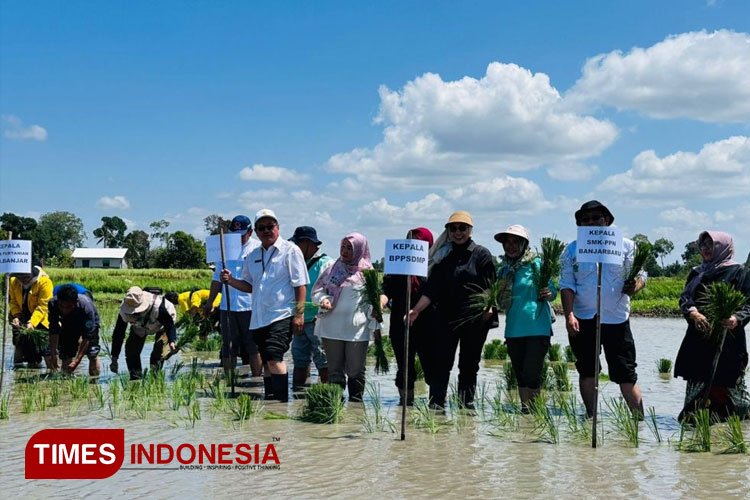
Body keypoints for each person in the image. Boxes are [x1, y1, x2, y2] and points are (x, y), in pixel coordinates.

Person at [559, 200, 646, 417]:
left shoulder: (627, 246)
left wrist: (634, 285)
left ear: (606, 220)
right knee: (587, 369)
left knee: (625, 372)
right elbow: (567, 285)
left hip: (616, 319)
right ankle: (591, 416)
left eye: (596, 218)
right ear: (580, 224)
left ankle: (639, 421)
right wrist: (569, 315)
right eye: (585, 219)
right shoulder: (571, 250)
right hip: (583, 318)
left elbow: (641, 277)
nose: (591, 222)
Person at [408, 211, 497, 409]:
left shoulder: (481, 254)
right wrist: (416, 310)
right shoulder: (443, 256)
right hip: (445, 320)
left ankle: (466, 408)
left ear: (470, 230)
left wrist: (489, 306)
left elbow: (491, 285)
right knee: (441, 364)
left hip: (474, 320)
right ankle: (436, 407)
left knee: (469, 366)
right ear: (448, 231)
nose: (458, 232)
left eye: (462, 228)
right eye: (453, 228)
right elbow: (432, 290)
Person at [221, 209, 309, 402]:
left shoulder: (290, 250)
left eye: (270, 226)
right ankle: (272, 401)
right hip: (259, 318)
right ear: (256, 231)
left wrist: (299, 314)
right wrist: (230, 280)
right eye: (262, 228)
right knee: (268, 361)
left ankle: (282, 402)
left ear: (278, 227)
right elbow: (249, 285)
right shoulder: (252, 255)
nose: (267, 231)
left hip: (281, 315)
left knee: (275, 357)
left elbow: (300, 285)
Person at [675, 231, 750, 421]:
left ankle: (739, 428)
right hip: (700, 338)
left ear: (722, 247)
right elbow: (686, 298)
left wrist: (736, 318)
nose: (706, 249)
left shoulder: (740, 272)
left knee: (733, 388)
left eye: (711, 245)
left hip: (729, 340)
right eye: (703, 245)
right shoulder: (697, 272)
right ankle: (692, 425)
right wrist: (694, 313)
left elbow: (749, 304)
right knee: (697, 386)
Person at [312, 232, 381, 402]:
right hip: (331, 328)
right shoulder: (331, 268)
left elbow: (374, 301)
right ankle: (336, 407)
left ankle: (356, 410)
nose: (344, 251)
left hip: (357, 330)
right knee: (334, 370)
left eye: (349, 248)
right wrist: (323, 300)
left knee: (356, 370)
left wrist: (377, 325)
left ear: (359, 249)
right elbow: (317, 291)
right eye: (343, 246)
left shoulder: (368, 274)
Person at [494, 225, 557, 409]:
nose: (511, 246)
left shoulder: (535, 264)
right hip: (513, 329)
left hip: (537, 328)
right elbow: (500, 299)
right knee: (520, 374)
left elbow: (552, 292)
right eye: (507, 242)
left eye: (516, 242)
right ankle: (525, 413)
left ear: (524, 244)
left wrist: (548, 293)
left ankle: (535, 411)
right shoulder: (504, 271)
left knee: (532, 374)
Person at [381, 227, 435, 406]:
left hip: (427, 325)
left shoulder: (434, 267)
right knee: (405, 368)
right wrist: (381, 301)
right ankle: (406, 403)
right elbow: (387, 290)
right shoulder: (398, 268)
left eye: (419, 244)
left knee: (431, 366)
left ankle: (436, 405)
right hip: (400, 323)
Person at [206, 215, 263, 379]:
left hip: (251, 306)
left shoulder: (258, 249)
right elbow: (217, 278)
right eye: (235, 234)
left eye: (242, 234)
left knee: (253, 347)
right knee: (228, 346)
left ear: (251, 232)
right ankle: (229, 381)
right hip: (228, 307)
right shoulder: (224, 250)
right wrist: (210, 302)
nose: (238, 238)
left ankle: (257, 382)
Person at [289, 226, 332, 388]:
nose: (295, 248)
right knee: (299, 360)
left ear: (307, 243)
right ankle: (298, 397)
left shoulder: (326, 264)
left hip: (319, 321)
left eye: (297, 244)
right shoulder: (296, 263)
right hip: (299, 321)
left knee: (323, 362)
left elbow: (332, 293)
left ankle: (327, 396)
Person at [110, 286, 178, 380]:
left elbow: (169, 325)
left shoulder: (159, 307)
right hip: (140, 327)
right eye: (131, 313)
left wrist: (172, 342)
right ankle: (136, 378)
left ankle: (154, 379)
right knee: (131, 351)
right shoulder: (125, 310)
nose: (133, 314)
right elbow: (118, 333)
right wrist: (114, 357)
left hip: (162, 325)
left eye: (136, 312)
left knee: (158, 353)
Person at [48, 284, 101, 376]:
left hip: (86, 321)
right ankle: (65, 381)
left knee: (92, 353)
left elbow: (87, 336)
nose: (64, 310)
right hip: (68, 323)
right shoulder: (53, 303)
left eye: (68, 307)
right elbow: (53, 329)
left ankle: (94, 382)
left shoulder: (86, 308)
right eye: (61, 306)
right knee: (66, 353)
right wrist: (53, 354)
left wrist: (77, 360)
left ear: (75, 302)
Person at [9, 265, 54, 369]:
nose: (23, 281)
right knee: (26, 349)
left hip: (41, 320)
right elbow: (13, 301)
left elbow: (43, 306)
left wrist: (32, 323)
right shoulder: (13, 281)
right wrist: (16, 316)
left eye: (26, 278)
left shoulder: (44, 282)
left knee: (46, 349)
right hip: (22, 317)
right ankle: (30, 370)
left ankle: (52, 374)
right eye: (20, 278)